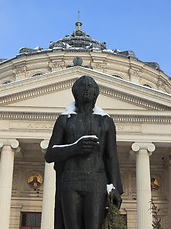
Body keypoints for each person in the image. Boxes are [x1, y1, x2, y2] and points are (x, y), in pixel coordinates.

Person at [45, 75, 123, 229]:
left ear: (96, 93)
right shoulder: (65, 120)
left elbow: (111, 156)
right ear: (75, 92)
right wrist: (75, 148)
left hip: (96, 181)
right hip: (70, 181)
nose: (87, 88)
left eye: (91, 86)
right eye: (83, 86)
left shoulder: (106, 121)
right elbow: (50, 154)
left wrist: (115, 187)